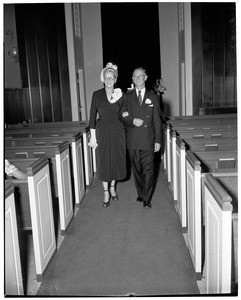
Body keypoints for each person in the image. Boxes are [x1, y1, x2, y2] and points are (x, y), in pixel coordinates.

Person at [122, 67, 161, 208]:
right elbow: (122, 116)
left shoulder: (153, 97)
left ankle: (147, 197)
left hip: (148, 140)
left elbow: (157, 121)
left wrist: (157, 141)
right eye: (135, 76)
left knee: (149, 170)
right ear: (132, 79)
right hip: (133, 140)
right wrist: (132, 120)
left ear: (145, 77)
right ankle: (140, 192)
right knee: (137, 169)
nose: (138, 78)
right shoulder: (127, 97)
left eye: (141, 76)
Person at [88, 62, 126, 207]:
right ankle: (105, 191)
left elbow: (125, 113)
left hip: (118, 130)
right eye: (107, 77)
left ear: (115, 79)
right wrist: (93, 135)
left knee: (116, 158)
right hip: (102, 130)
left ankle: (112, 187)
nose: (109, 80)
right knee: (104, 160)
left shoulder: (120, 95)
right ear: (103, 79)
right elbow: (92, 116)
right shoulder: (96, 95)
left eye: (112, 77)